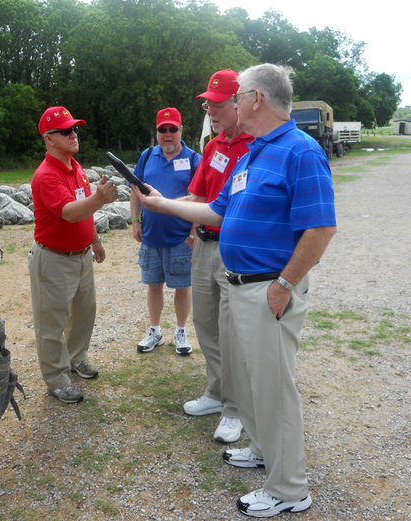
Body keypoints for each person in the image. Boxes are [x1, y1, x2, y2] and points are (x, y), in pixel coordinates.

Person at [133, 64, 337, 518]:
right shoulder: (254, 154)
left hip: (269, 290)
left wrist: (285, 285)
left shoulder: (300, 152)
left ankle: (289, 489)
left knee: (273, 389)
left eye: (239, 95)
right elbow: (218, 209)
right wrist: (157, 202)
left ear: (257, 99)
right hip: (241, 286)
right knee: (248, 382)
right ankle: (265, 451)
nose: (229, 104)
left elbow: (321, 227)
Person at [181, 70, 253, 444]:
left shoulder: (254, 144)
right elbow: (197, 198)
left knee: (231, 333)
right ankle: (215, 392)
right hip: (204, 246)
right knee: (206, 325)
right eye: (208, 103)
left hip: (233, 250)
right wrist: (154, 201)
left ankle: (235, 409)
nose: (211, 109)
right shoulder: (212, 146)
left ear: (239, 102)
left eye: (218, 102)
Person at [28, 106, 118, 404]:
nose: (73, 134)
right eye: (66, 130)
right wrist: (99, 199)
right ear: (49, 139)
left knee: (84, 313)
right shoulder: (46, 175)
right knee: (51, 322)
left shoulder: (75, 167)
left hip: (81, 256)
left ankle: (77, 358)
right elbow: (68, 213)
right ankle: (56, 379)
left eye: (75, 128)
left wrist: (95, 240)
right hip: (53, 260)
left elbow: (83, 212)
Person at [130, 107, 202, 355]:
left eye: (173, 129)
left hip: (181, 238)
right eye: (163, 129)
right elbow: (135, 190)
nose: (168, 134)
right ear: (157, 132)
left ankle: (181, 331)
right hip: (150, 237)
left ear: (181, 130)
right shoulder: (147, 156)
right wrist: (135, 221)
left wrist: (193, 234)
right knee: (153, 285)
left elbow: (201, 199)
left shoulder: (195, 160)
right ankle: (155, 330)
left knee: (183, 286)